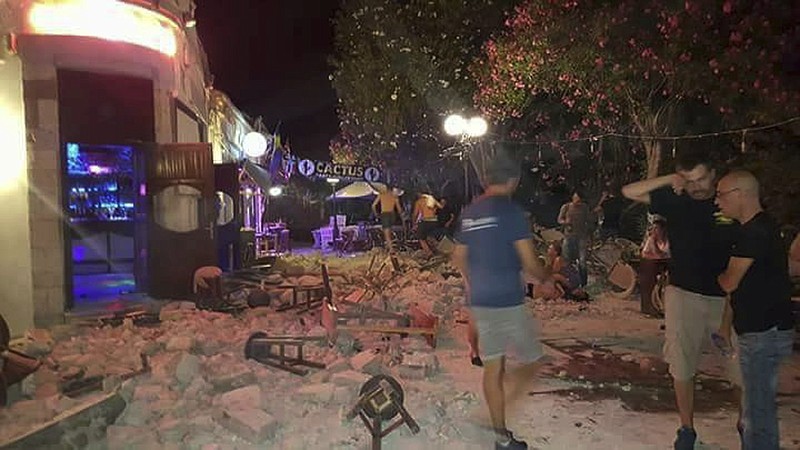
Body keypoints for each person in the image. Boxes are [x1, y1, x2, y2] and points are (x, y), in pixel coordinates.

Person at [621, 149, 741, 450]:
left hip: (725, 298)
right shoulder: (676, 200)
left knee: (738, 366)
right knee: (681, 364)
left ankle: (746, 423)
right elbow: (629, 191)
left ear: (713, 174)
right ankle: (686, 429)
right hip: (682, 293)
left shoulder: (728, 203)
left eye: (701, 178)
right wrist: (668, 179)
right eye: (689, 180)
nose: (696, 186)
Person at [452, 148, 549, 450]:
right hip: (508, 300)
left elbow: (457, 257)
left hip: (481, 299)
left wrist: (475, 281)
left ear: (487, 179)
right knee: (532, 362)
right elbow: (530, 262)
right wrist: (548, 278)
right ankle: (495, 414)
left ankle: (498, 435)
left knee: (493, 367)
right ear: (514, 179)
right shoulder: (511, 212)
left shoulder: (470, 212)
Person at [715, 170, 795, 450]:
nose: (717, 201)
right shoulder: (764, 227)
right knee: (760, 409)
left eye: (721, 194)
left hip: (763, 332)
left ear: (740, 194)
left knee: (756, 414)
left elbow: (729, 282)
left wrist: (717, 273)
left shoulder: (753, 233)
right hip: (770, 328)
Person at [557, 191, 592, 286]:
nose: (577, 200)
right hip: (569, 236)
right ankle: (568, 282)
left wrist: (589, 233)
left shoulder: (584, 208)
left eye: (579, 198)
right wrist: (565, 222)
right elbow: (559, 219)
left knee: (582, 261)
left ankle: (584, 283)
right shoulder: (566, 207)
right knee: (566, 260)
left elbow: (589, 220)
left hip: (581, 236)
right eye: (576, 197)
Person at [372, 185, 403, 252]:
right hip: (392, 215)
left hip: (385, 214)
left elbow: (373, 205)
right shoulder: (394, 195)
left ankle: (392, 250)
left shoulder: (382, 194)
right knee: (389, 232)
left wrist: (376, 214)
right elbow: (399, 208)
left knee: (386, 234)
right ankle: (388, 248)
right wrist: (402, 216)